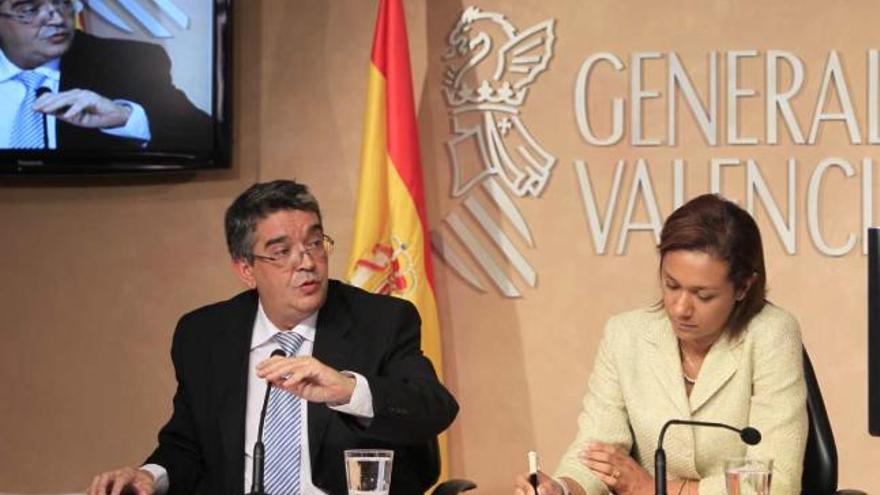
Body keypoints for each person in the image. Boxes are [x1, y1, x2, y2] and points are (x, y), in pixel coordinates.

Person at [87, 180, 459, 495]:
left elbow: (434, 408)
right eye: (282, 252)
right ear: (246, 269)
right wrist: (149, 476)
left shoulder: (381, 321)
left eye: (315, 243)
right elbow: (188, 444)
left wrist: (348, 390)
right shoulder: (204, 336)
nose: (307, 262)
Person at [515, 194, 808, 495]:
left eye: (703, 295)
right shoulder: (625, 334)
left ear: (743, 286)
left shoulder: (773, 332)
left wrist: (658, 489)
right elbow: (597, 454)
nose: (680, 308)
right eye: (671, 285)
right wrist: (560, 489)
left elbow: (775, 484)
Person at [0, 0, 211, 150]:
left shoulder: (126, 62)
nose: (57, 18)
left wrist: (126, 118)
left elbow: (204, 137)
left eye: (63, 2)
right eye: (29, 9)